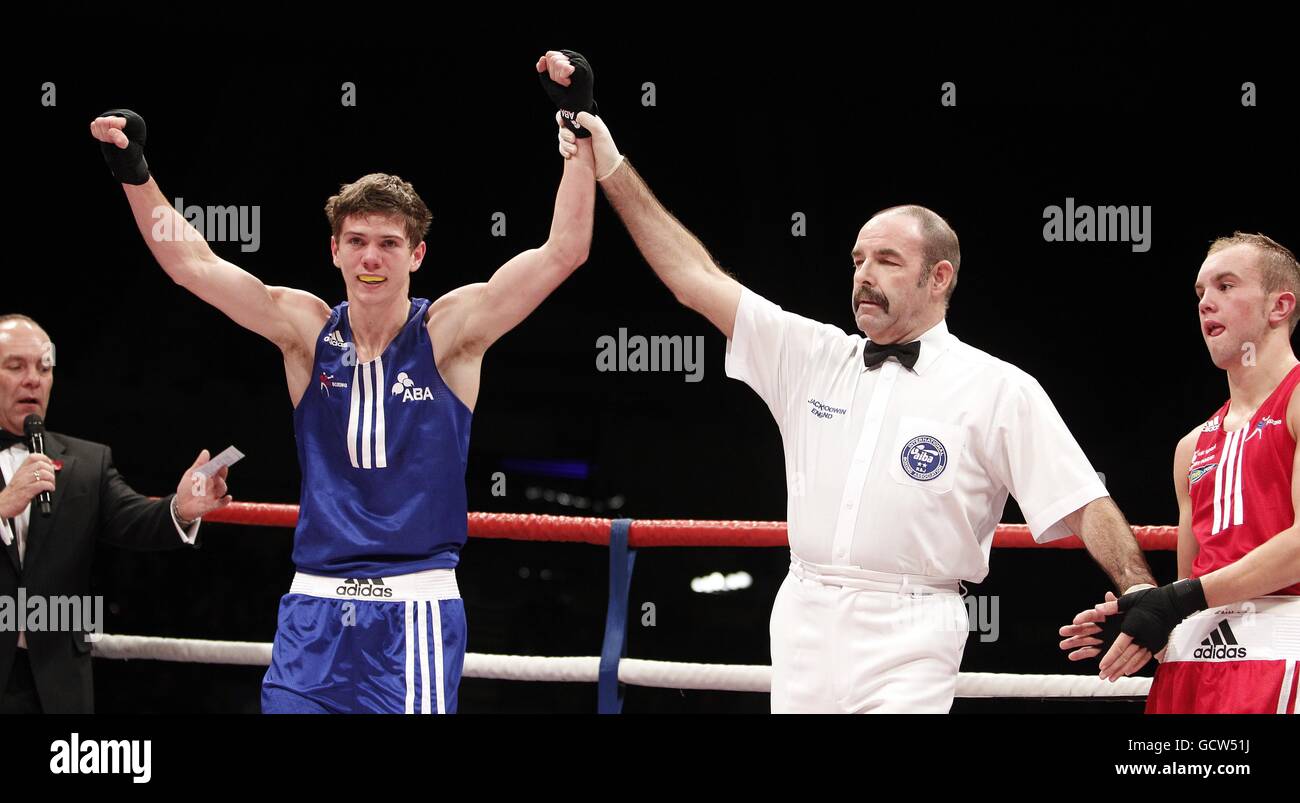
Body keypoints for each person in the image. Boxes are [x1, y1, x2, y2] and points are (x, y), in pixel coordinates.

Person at [555, 103, 1158, 713]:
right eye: (858, 260)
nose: (864, 275)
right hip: (803, 612)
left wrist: (1141, 592)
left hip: (915, 621)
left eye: (888, 261)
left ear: (939, 277)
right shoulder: (811, 354)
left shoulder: (999, 389)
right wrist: (608, 158)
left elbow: (1084, 500)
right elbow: (690, 274)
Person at [88, 53, 596, 714]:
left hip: (412, 608)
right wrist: (134, 171)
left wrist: (578, 126)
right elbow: (194, 265)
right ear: (334, 250)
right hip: (314, 607)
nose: (371, 257)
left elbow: (565, 251)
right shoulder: (303, 328)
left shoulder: (450, 332)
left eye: (388, 243)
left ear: (416, 254)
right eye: (356, 241)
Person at [1060, 233, 1300, 713]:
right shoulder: (1191, 448)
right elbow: (1191, 588)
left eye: (1226, 286)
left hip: (1285, 655)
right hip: (1194, 669)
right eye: (1200, 293)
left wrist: (1176, 600)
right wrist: (1142, 623)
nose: (1207, 303)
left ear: (1280, 306)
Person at [0, 314, 231, 713]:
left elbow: (136, 521)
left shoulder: (85, 463)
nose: (33, 379)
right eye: (15, 366)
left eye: (44, 367)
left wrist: (181, 508)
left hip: (57, 683)